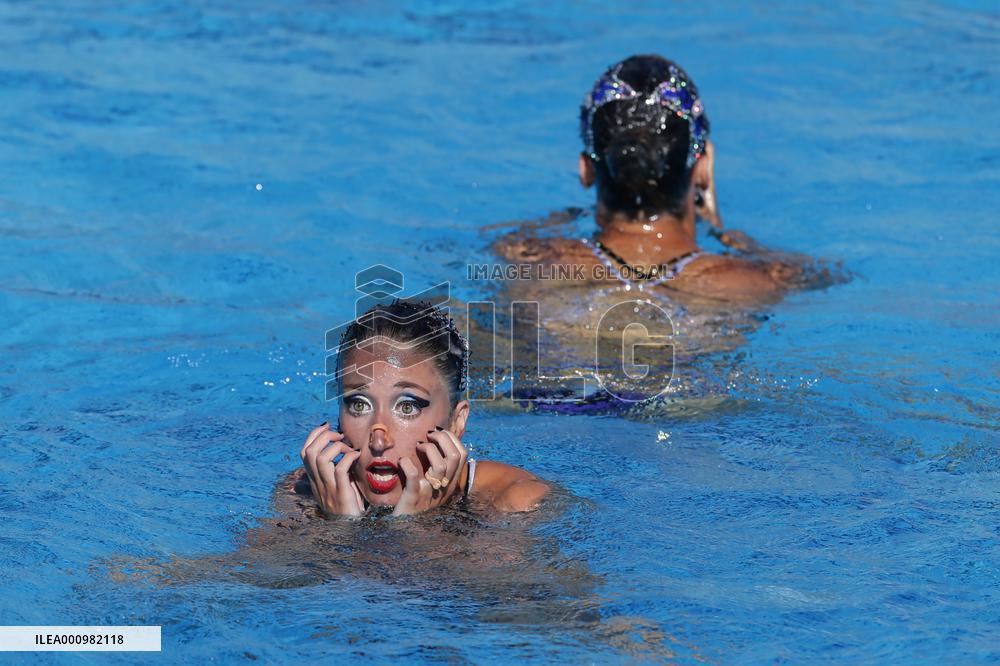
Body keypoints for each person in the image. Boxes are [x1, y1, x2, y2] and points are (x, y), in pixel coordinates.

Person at [492, 54, 825, 304]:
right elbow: (819, 277)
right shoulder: (754, 283)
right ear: (704, 168)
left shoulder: (532, 265)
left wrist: (557, 222)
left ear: (586, 169)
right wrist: (721, 230)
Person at [289, 299, 549, 516]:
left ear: (456, 421)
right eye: (359, 404)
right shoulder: (307, 488)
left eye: (407, 407)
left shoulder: (518, 499)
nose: (378, 440)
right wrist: (340, 526)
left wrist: (418, 527)